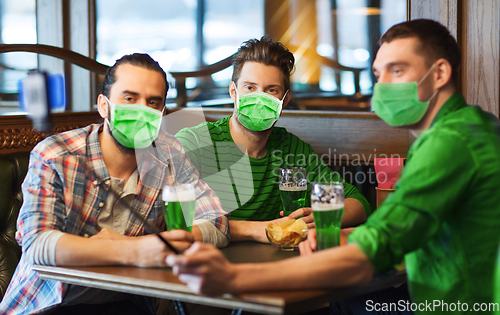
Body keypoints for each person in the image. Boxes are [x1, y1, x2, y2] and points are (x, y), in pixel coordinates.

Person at [167, 19, 500, 314]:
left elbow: (372, 247)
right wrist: (340, 237)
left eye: (396, 71)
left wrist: (236, 277)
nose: (382, 86)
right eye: (377, 74)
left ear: (439, 73)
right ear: (234, 92)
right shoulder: (473, 127)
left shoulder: (450, 143)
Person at [0, 53, 229, 315]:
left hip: (129, 303)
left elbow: (217, 222)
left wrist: (173, 241)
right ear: (104, 105)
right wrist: (133, 250)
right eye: (130, 98)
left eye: (153, 102)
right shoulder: (55, 154)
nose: (142, 109)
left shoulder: (169, 152)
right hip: (49, 304)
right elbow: (37, 245)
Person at [175, 37, 372, 243]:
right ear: (234, 92)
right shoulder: (195, 142)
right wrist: (257, 230)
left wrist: (323, 218)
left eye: (271, 90)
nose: (260, 98)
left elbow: (358, 203)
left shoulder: (293, 150)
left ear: (284, 100)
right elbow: (177, 222)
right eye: (250, 88)